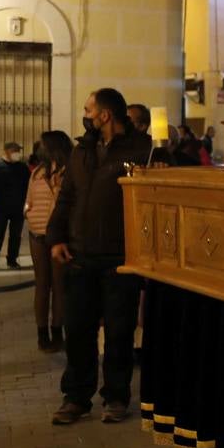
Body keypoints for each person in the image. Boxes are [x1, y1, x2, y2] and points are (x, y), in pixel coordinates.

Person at [47, 89, 152, 426]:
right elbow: (67, 198)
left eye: (89, 109)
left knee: (120, 332)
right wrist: (57, 237)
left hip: (120, 257)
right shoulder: (82, 151)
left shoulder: (140, 151)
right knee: (77, 330)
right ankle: (76, 396)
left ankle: (116, 396)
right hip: (80, 255)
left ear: (105, 115)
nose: (85, 113)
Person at [26, 131, 73, 353]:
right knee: (42, 285)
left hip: (59, 235)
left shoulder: (69, 172)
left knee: (60, 285)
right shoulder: (37, 173)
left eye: (44, 145)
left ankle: (58, 330)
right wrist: (28, 212)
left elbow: (66, 202)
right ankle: (41, 333)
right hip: (36, 234)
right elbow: (29, 199)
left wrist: (55, 187)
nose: (40, 149)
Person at [0, 142, 30, 271]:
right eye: (14, 150)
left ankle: (12, 260)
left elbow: (28, 185)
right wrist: (0, 200)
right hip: (3, 208)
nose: (17, 153)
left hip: (18, 208)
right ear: (6, 151)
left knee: (16, 235)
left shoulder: (22, 167)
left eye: (18, 150)